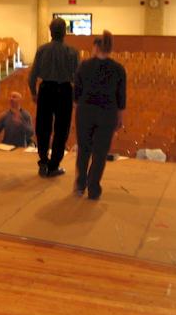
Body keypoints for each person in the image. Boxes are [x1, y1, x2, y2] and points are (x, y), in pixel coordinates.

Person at [74, 30, 126, 200]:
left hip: (85, 113)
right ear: (110, 49)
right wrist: (120, 117)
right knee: (100, 153)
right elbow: (121, 97)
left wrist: (78, 108)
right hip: (107, 114)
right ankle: (93, 188)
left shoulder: (84, 66)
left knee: (84, 150)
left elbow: (76, 93)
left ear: (96, 48)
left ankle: (80, 184)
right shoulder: (118, 69)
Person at [28, 18, 79, 178]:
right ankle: (54, 165)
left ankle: (43, 161)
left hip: (46, 90)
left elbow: (32, 75)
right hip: (64, 91)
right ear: (65, 32)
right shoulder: (72, 52)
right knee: (61, 129)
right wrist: (77, 97)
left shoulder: (42, 50)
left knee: (43, 127)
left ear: (50, 32)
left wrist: (34, 93)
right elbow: (78, 78)